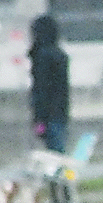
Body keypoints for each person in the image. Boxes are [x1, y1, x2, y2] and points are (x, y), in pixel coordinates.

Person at [28, 12, 71, 155]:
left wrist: (39, 118)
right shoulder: (60, 55)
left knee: (54, 153)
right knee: (58, 150)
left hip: (47, 115)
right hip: (60, 112)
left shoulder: (42, 57)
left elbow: (41, 89)